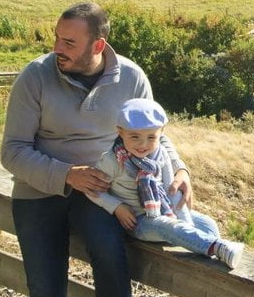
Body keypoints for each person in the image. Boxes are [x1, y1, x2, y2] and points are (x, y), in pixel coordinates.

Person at [1, 1, 186, 297]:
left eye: (69, 41)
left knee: (109, 250)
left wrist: (179, 169)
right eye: (56, 38)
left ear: (98, 45)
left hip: (101, 192)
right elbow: (12, 151)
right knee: (47, 296)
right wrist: (67, 175)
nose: (57, 48)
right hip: (39, 193)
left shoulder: (132, 77)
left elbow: (156, 136)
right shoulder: (35, 76)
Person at [89, 98, 242, 269]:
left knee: (207, 223)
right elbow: (93, 189)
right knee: (168, 226)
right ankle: (216, 248)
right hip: (137, 221)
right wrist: (116, 207)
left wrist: (184, 222)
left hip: (165, 210)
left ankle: (210, 261)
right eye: (134, 137)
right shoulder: (112, 160)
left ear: (161, 133)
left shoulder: (161, 155)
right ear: (120, 132)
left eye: (151, 137)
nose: (143, 144)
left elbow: (172, 190)